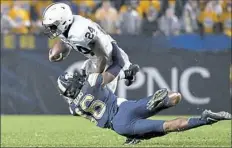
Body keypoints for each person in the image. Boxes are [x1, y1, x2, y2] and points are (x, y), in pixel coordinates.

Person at [57, 71, 232, 145]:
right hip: (126, 106)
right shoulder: (92, 82)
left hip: (119, 124)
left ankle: (205, 119)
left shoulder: (74, 109)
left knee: (167, 127)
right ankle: (162, 101)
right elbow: (112, 71)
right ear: (74, 82)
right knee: (175, 96)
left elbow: (76, 100)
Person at [42, 2, 139, 93]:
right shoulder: (66, 26)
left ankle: (127, 73)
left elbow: (103, 58)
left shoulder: (80, 31)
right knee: (85, 72)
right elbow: (68, 43)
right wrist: (60, 53)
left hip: (111, 58)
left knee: (96, 93)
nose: (51, 29)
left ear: (63, 22)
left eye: (52, 26)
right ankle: (128, 72)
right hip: (97, 57)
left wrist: (95, 82)